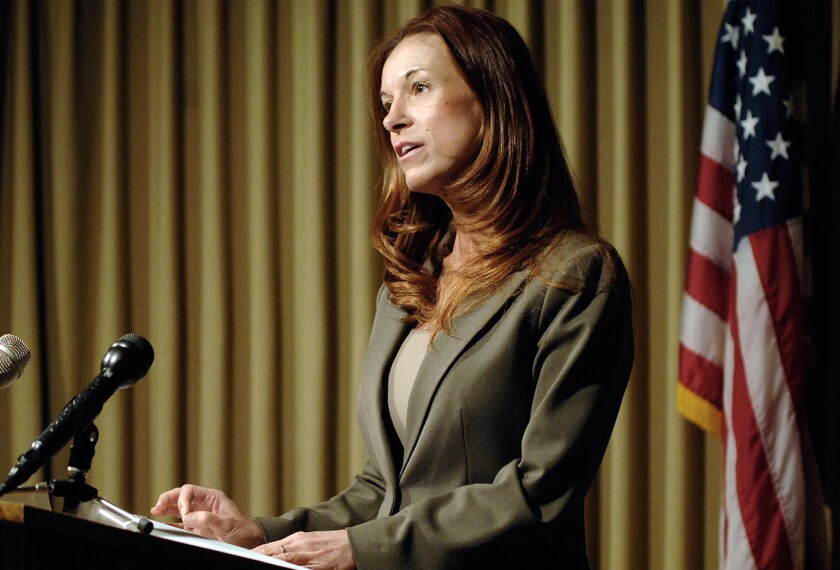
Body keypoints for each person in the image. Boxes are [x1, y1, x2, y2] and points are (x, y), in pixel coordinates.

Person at [151, 5, 633, 569]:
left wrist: (362, 548)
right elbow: (385, 490)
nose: (392, 120)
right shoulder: (412, 280)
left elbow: (538, 495)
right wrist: (260, 533)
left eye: (419, 89)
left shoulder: (573, 273)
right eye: (386, 104)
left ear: (495, 98)